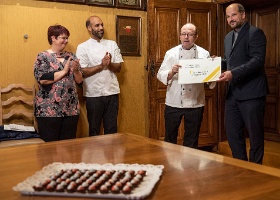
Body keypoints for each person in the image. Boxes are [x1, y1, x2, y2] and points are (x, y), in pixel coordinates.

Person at [218, 3, 268, 164]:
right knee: (232, 134)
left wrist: (233, 73)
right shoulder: (227, 37)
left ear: (243, 15)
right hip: (232, 94)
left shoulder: (255, 33)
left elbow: (257, 61)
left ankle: (256, 171)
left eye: (233, 15)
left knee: (255, 136)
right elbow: (231, 62)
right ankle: (240, 167)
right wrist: (217, 63)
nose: (230, 19)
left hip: (252, 93)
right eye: (227, 16)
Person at [157, 23, 213, 148]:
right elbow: (160, 74)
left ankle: (190, 166)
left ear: (196, 37)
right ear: (180, 36)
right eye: (183, 34)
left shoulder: (204, 54)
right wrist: (171, 72)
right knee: (170, 138)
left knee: (192, 140)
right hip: (174, 101)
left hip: (195, 102)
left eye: (190, 34)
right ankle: (169, 165)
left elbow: (210, 80)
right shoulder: (171, 53)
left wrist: (213, 68)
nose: (186, 37)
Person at [34, 25, 83, 142]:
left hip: (71, 109)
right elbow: (42, 79)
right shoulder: (43, 57)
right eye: (63, 38)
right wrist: (64, 71)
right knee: (50, 148)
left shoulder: (71, 56)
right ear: (53, 38)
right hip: (48, 110)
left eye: (67, 38)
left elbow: (80, 80)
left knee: (68, 147)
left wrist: (75, 70)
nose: (66, 41)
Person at [76, 16, 124, 136]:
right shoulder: (83, 47)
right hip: (93, 94)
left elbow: (118, 68)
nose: (101, 28)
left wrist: (109, 64)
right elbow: (82, 71)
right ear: (89, 28)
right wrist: (101, 66)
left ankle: (111, 154)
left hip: (112, 93)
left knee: (112, 129)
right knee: (94, 130)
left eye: (102, 25)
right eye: (97, 25)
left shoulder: (112, 44)